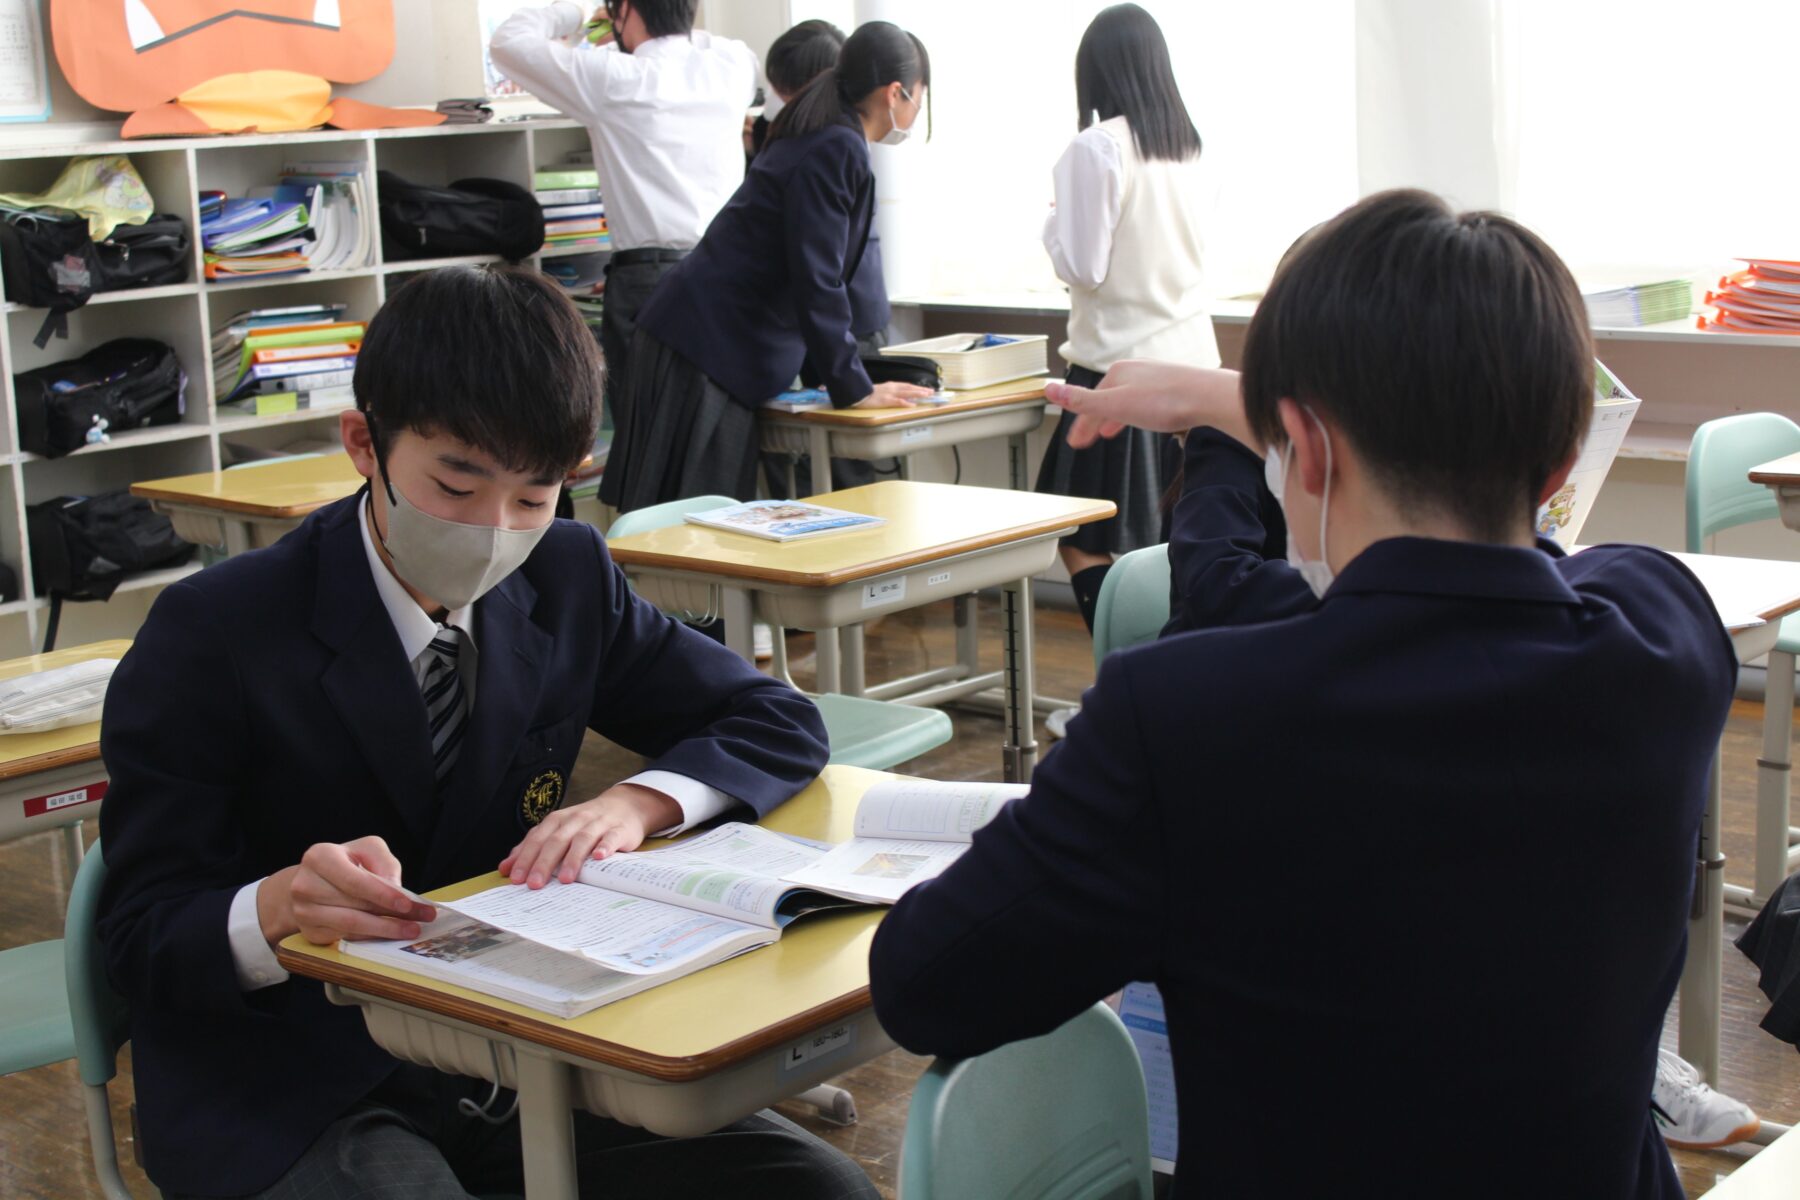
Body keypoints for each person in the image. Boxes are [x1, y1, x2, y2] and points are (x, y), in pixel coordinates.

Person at [868, 189, 1739, 1197]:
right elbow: (1568, 573)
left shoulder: (1185, 719)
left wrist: (1249, 412)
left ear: (1306, 449)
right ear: (1558, 462)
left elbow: (925, 985)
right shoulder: (1666, 648)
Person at [95, 266, 873, 1200]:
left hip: (521, 1041)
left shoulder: (566, 575)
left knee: (819, 1191)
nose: (494, 531)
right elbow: (137, 936)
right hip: (299, 1073)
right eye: (456, 483)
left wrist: (638, 801)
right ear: (364, 445)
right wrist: (276, 906)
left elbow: (774, 717)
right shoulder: (217, 630)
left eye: (534, 497)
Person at [604, 20, 934, 516]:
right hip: (705, 352)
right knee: (690, 531)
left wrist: (838, 378)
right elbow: (817, 278)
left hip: (703, 344)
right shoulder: (836, 145)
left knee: (693, 527)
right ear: (895, 93)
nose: (916, 111)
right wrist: (855, 389)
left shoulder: (820, 132)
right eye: (919, 98)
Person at [487, 1, 757, 509]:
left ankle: (646, 577)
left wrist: (578, 12)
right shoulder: (731, 65)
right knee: (718, 451)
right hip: (728, 281)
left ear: (626, 10)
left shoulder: (612, 78)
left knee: (647, 452)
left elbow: (509, 42)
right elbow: (699, 42)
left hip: (650, 285)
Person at [1036, 4, 1216, 666]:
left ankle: (1125, 675)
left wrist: (1052, 223)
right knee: (1173, 539)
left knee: (1080, 532)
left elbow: (1083, 265)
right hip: (1195, 371)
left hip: (1119, 373)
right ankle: (1170, 680)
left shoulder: (1097, 146)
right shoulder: (1186, 150)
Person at [749, 19, 895, 498]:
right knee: (800, 462)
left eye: (793, 90)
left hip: (848, 320)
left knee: (851, 469)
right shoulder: (801, 136)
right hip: (805, 322)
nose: (788, 102)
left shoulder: (836, 143)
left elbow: (823, 272)